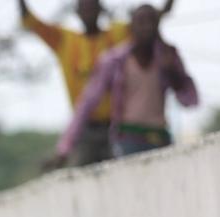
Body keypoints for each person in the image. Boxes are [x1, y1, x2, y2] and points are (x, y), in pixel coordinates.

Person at [21, 0, 176, 166]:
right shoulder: (65, 40)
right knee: (80, 171)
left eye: (92, 6)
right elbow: (33, 23)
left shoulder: (116, 35)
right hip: (85, 128)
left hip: (116, 126)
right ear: (77, 12)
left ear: (101, 9)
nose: (89, 12)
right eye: (85, 8)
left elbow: (147, 22)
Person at [55, 4, 198, 162]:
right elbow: (87, 102)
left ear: (157, 26)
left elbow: (190, 100)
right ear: (131, 27)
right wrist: (65, 147)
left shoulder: (167, 56)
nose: (147, 28)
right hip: (128, 139)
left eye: (151, 22)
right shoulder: (115, 60)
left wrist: (173, 72)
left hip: (159, 136)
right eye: (141, 22)